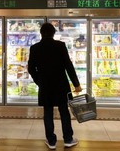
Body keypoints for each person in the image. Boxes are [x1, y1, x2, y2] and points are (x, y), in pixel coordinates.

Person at [28, 22, 82, 150]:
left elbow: (31, 68)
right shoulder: (60, 46)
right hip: (61, 85)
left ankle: (51, 141)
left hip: (45, 86)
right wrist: (76, 84)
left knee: (48, 112)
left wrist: (39, 81)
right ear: (53, 33)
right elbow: (68, 65)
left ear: (41, 34)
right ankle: (68, 139)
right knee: (64, 112)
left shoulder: (35, 48)